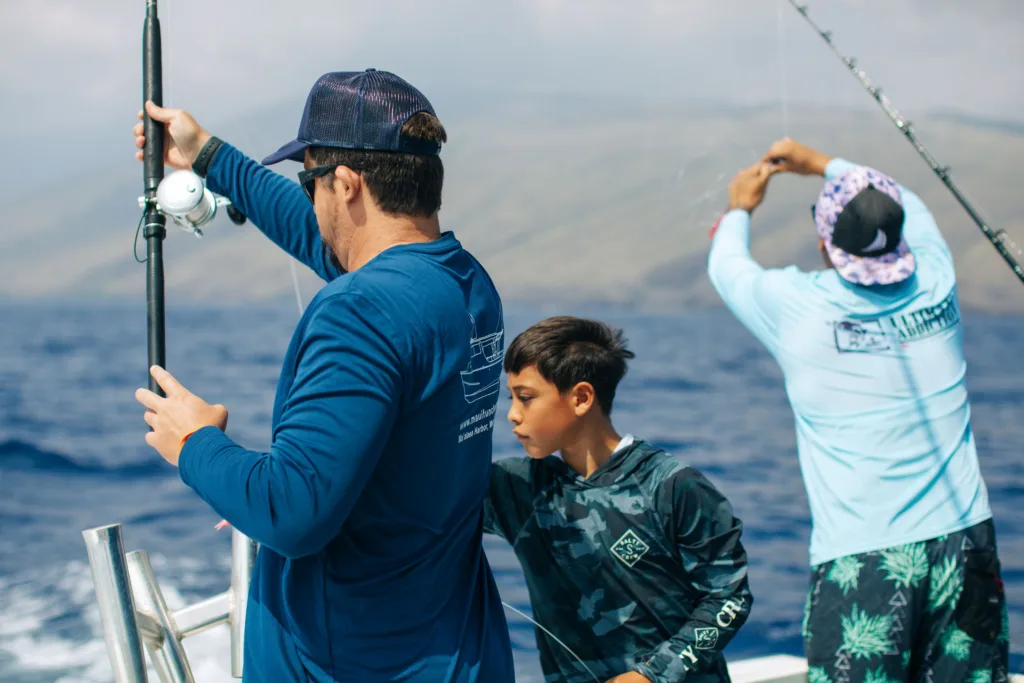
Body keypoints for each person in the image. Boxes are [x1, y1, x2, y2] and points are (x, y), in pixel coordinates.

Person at [131, 69, 515, 683]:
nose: (308, 199)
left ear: (346, 183)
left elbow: (294, 511)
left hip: (355, 664)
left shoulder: (360, 311)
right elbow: (327, 241)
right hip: (451, 652)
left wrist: (195, 444)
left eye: (310, 181)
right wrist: (206, 156)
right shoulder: (464, 284)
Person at [707, 138, 1009, 682]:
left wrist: (739, 208)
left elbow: (728, 266)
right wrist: (824, 164)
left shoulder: (794, 306)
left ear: (827, 244)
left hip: (865, 559)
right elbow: (909, 198)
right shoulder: (937, 277)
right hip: (966, 544)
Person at [484, 315, 752, 683]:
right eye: (511, 397)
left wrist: (650, 676)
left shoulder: (672, 486)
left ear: (581, 398)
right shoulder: (514, 488)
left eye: (526, 398)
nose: (512, 414)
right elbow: (422, 506)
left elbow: (729, 598)